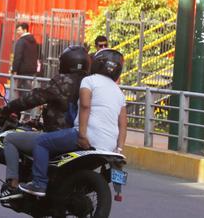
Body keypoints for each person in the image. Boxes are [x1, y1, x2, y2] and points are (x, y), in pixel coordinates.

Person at [19, 49, 127, 197]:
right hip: (109, 146)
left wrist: (82, 135)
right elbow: (123, 124)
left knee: (41, 142)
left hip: (87, 137)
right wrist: (119, 150)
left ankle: (39, 184)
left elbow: (84, 106)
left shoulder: (89, 81)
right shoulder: (119, 93)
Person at [0, 46, 90, 200]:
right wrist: (38, 124)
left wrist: (9, 107)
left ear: (66, 63)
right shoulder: (89, 83)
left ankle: (13, 185)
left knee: (10, 139)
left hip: (58, 137)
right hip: (80, 136)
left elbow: (35, 97)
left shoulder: (63, 81)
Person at [12, 23, 39, 97]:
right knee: (28, 90)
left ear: (25, 30)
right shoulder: (34, 41)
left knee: (21, 91)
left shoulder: (21, 41)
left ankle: (24, 107)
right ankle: (28, 107)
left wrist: (14, 70)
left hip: (22, 70)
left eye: (19, 30)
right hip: (31, 70)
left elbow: (17, 56)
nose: (17, 32)